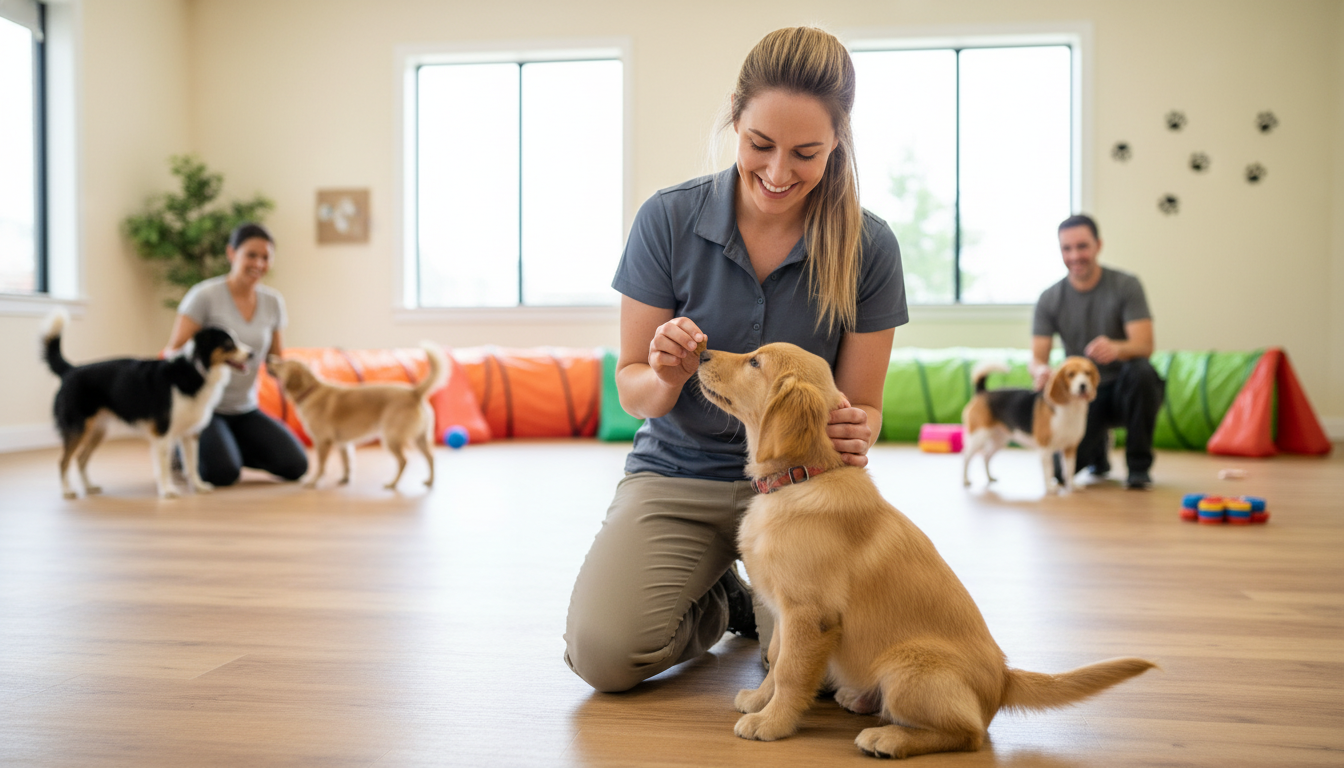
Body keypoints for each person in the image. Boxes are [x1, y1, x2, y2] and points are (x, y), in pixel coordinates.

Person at [563, 27, 908, 693]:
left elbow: (864, 406)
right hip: (680, 472)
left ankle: (760, 600)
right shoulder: (666, 220)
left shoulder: (870, 247)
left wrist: (856, 426)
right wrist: (663, 373)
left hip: (802, 490)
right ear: (735, 117)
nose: (778, 173)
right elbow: (634, 391)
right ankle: (725, 601)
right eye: (760, 145)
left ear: (839, 139)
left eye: (806, 153)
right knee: (603, 655)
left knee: (832, 682)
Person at [164, 223, 308, 487]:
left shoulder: (273, 302)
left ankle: (225, 447)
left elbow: (276, 361)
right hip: (205, 408)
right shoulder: (204, 296)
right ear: (231, 254)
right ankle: (182, 449)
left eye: (266, 257)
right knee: (223, 474)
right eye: (251, 255)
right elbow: (173, 351)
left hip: (245, 408)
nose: (259, 263)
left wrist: (309, 387)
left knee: (296, 465)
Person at [1030, 214, 1164, 490]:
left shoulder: (1126, 285)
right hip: (1081, 399)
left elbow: (1145, 346)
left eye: (1082, 246)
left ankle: (1138, 468)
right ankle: (1097, 451)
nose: (1075, 255)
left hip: (1121, 390)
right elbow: (1037, 359)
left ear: (1098, 245)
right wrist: (1040, 370)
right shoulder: (1049, 298)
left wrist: (1117, 348)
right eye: (1067, 248)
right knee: (1059, 473)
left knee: (1142, 372)